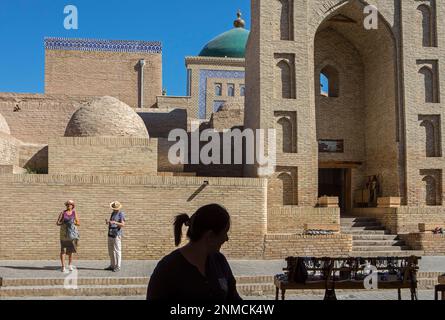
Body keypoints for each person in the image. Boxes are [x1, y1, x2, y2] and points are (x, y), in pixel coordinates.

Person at [146, 204, 242, 301]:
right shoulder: (168, 268)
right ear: (210, 236)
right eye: (225, 232)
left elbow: (233, 298)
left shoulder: (219, 261)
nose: (226, 238)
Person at [56, 200, 80, 273]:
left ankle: (70, 264)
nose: (68, 205)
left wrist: (73, 222)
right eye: (67, 204)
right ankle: (63, 266)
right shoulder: (62, 213)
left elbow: (78, 223)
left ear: (72, 206)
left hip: (71, 233)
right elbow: (57, 223)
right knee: (63, 250)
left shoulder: (74, 212)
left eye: (70, 204)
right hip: (64, 233)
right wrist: (63, 221)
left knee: (70, 250)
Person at [105, 201, 126, 272]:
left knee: (117, 250)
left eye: (115, 208)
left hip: (117, 234)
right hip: (110, 233)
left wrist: (115, 222)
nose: (114, 209)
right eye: (113, 208)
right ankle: (112, 265)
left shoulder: (121, 213)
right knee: (111, 250)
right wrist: (108, 222)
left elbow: (123, 224)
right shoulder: (113, 213)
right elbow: (112, 222)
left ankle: (118, 266)